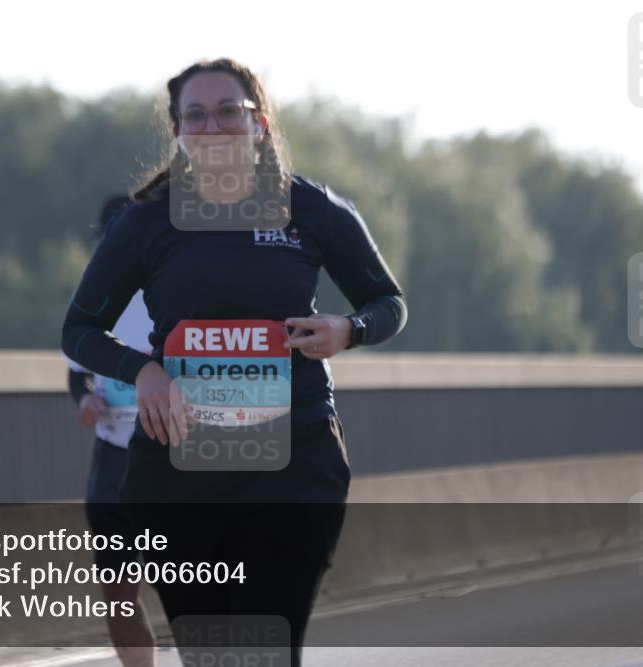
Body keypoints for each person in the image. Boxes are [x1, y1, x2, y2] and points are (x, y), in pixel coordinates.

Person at [62, 58, 407, 666]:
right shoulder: (147, 221)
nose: (212, 126)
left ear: (259, 122)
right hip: (179, 469)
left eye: (228, 111)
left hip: (293, 458)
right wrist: (144, 371)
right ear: (178, 132)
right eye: (195, 116)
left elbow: (389, 303)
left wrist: (347, 330)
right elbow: (79, 331)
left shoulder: (311, 209)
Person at [64, 195, 157, 667]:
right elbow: (76, 373)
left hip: (170, 456)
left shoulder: (177, 293)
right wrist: (85, 400)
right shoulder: (93, 299)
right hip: (112, 458)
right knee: (118, 593)